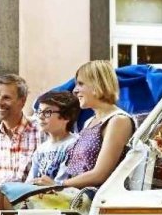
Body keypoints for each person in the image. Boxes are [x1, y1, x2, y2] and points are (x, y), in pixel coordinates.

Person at [55, 59, 136, 190]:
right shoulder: (89, 121)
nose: (75, 90)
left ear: (97, 84)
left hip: (95, 201)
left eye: (80, 84)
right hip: (75, 196)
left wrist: (57, 185)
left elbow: (100, 174)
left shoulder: (118, 120)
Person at [26, 89, 80, 185]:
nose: (41, 117)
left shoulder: (74, 144)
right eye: (39, 111)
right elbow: (29, 182)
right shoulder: (41, 149)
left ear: (66, 117)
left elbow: (61, 184)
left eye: (47, 112)